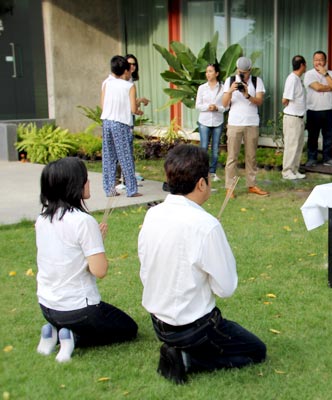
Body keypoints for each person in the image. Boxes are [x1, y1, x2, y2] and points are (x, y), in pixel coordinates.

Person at [138, 144, 267, 384]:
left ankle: (184, 353)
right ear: (201, 184)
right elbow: (226, 288)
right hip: (193, 327)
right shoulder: (206, 226)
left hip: (159, 323)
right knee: (256, 351)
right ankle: (187, 360)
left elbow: (146, 268)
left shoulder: (153, 214)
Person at [35, 157, 138, 363]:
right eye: (85, 179)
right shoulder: (83, 221)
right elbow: (99, 270)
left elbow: (66, 256)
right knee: (129, 329)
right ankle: (73, 336)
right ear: (74, 185)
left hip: (47, 307)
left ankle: (53, 331)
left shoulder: (43, 218)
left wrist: (94, 242)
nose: (88, 182)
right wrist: (97, 244)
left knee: (108, 320)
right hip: (78, 309)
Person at [222, 57, 269, 197]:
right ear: (237, 70)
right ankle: (230, 187)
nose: (242, 75)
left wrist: (247, 94)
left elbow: (259, 101)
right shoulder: (230, 81)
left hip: (251, 122)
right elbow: (224, 104)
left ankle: (252, 185)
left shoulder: (257, 81)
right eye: (240, 72)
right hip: (234, 123)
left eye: (245, 72)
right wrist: (230, 91)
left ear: (250, 70)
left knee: (251, 156)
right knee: (232, 156)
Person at [100, 55, 143, 197]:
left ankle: (109, 189)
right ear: (125, 70)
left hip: (107, 121)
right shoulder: (129, 86)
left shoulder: (107, 83)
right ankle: (131, 190)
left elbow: (103, 105)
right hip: (121, 123)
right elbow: (133, 109)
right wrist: (138, 111)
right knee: (125, 156)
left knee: (109, 156)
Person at [304, 51, 332, 167]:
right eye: (316, 60)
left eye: (321, 60)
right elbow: (318, 88)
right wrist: (329, 87)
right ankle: (312, 158)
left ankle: (327, 158)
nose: (318, 62)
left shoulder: (331, 74)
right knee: (313, 136)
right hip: (313, 110)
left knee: (328, 136)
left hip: (329, 109)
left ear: (326, 61)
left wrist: (325, 74)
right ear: (313, 61)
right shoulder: (309, 74)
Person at [196, 63, 226, 182]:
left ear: (216, 73)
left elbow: (226, 106)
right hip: (204, 120)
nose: (207, 74)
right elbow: (198, 105)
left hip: (218, 121)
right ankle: (202, 172)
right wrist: (208, 107)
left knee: (215, 148)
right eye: (206, 71)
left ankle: (212, 172)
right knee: (203, 147)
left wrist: (217, 108)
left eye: (210, 71)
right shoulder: (202, 88)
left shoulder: (223, 88)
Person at [281, 55, 307, 180]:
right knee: (291, 145)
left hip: (299, 117)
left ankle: (294, 169)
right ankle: (287, 171)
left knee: (298, 145)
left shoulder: (297, 79)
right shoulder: (292, 79)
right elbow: (285, 99)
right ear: (302, 65)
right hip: (292, 117)